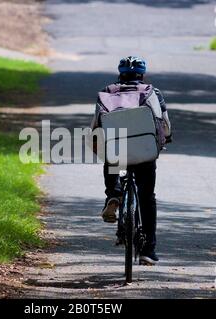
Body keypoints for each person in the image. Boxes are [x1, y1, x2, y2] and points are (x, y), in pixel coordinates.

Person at [90, 56, 172, 265]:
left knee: (111, 156)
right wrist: (165, 139)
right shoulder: (152, 92)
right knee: (147, 197)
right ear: (142, 74)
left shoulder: (108, 92)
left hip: (116, 151)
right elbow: (165, 125)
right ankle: (148, 250)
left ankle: (114, 194)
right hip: (144, 152)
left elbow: (96, 127)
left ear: (120, 73)